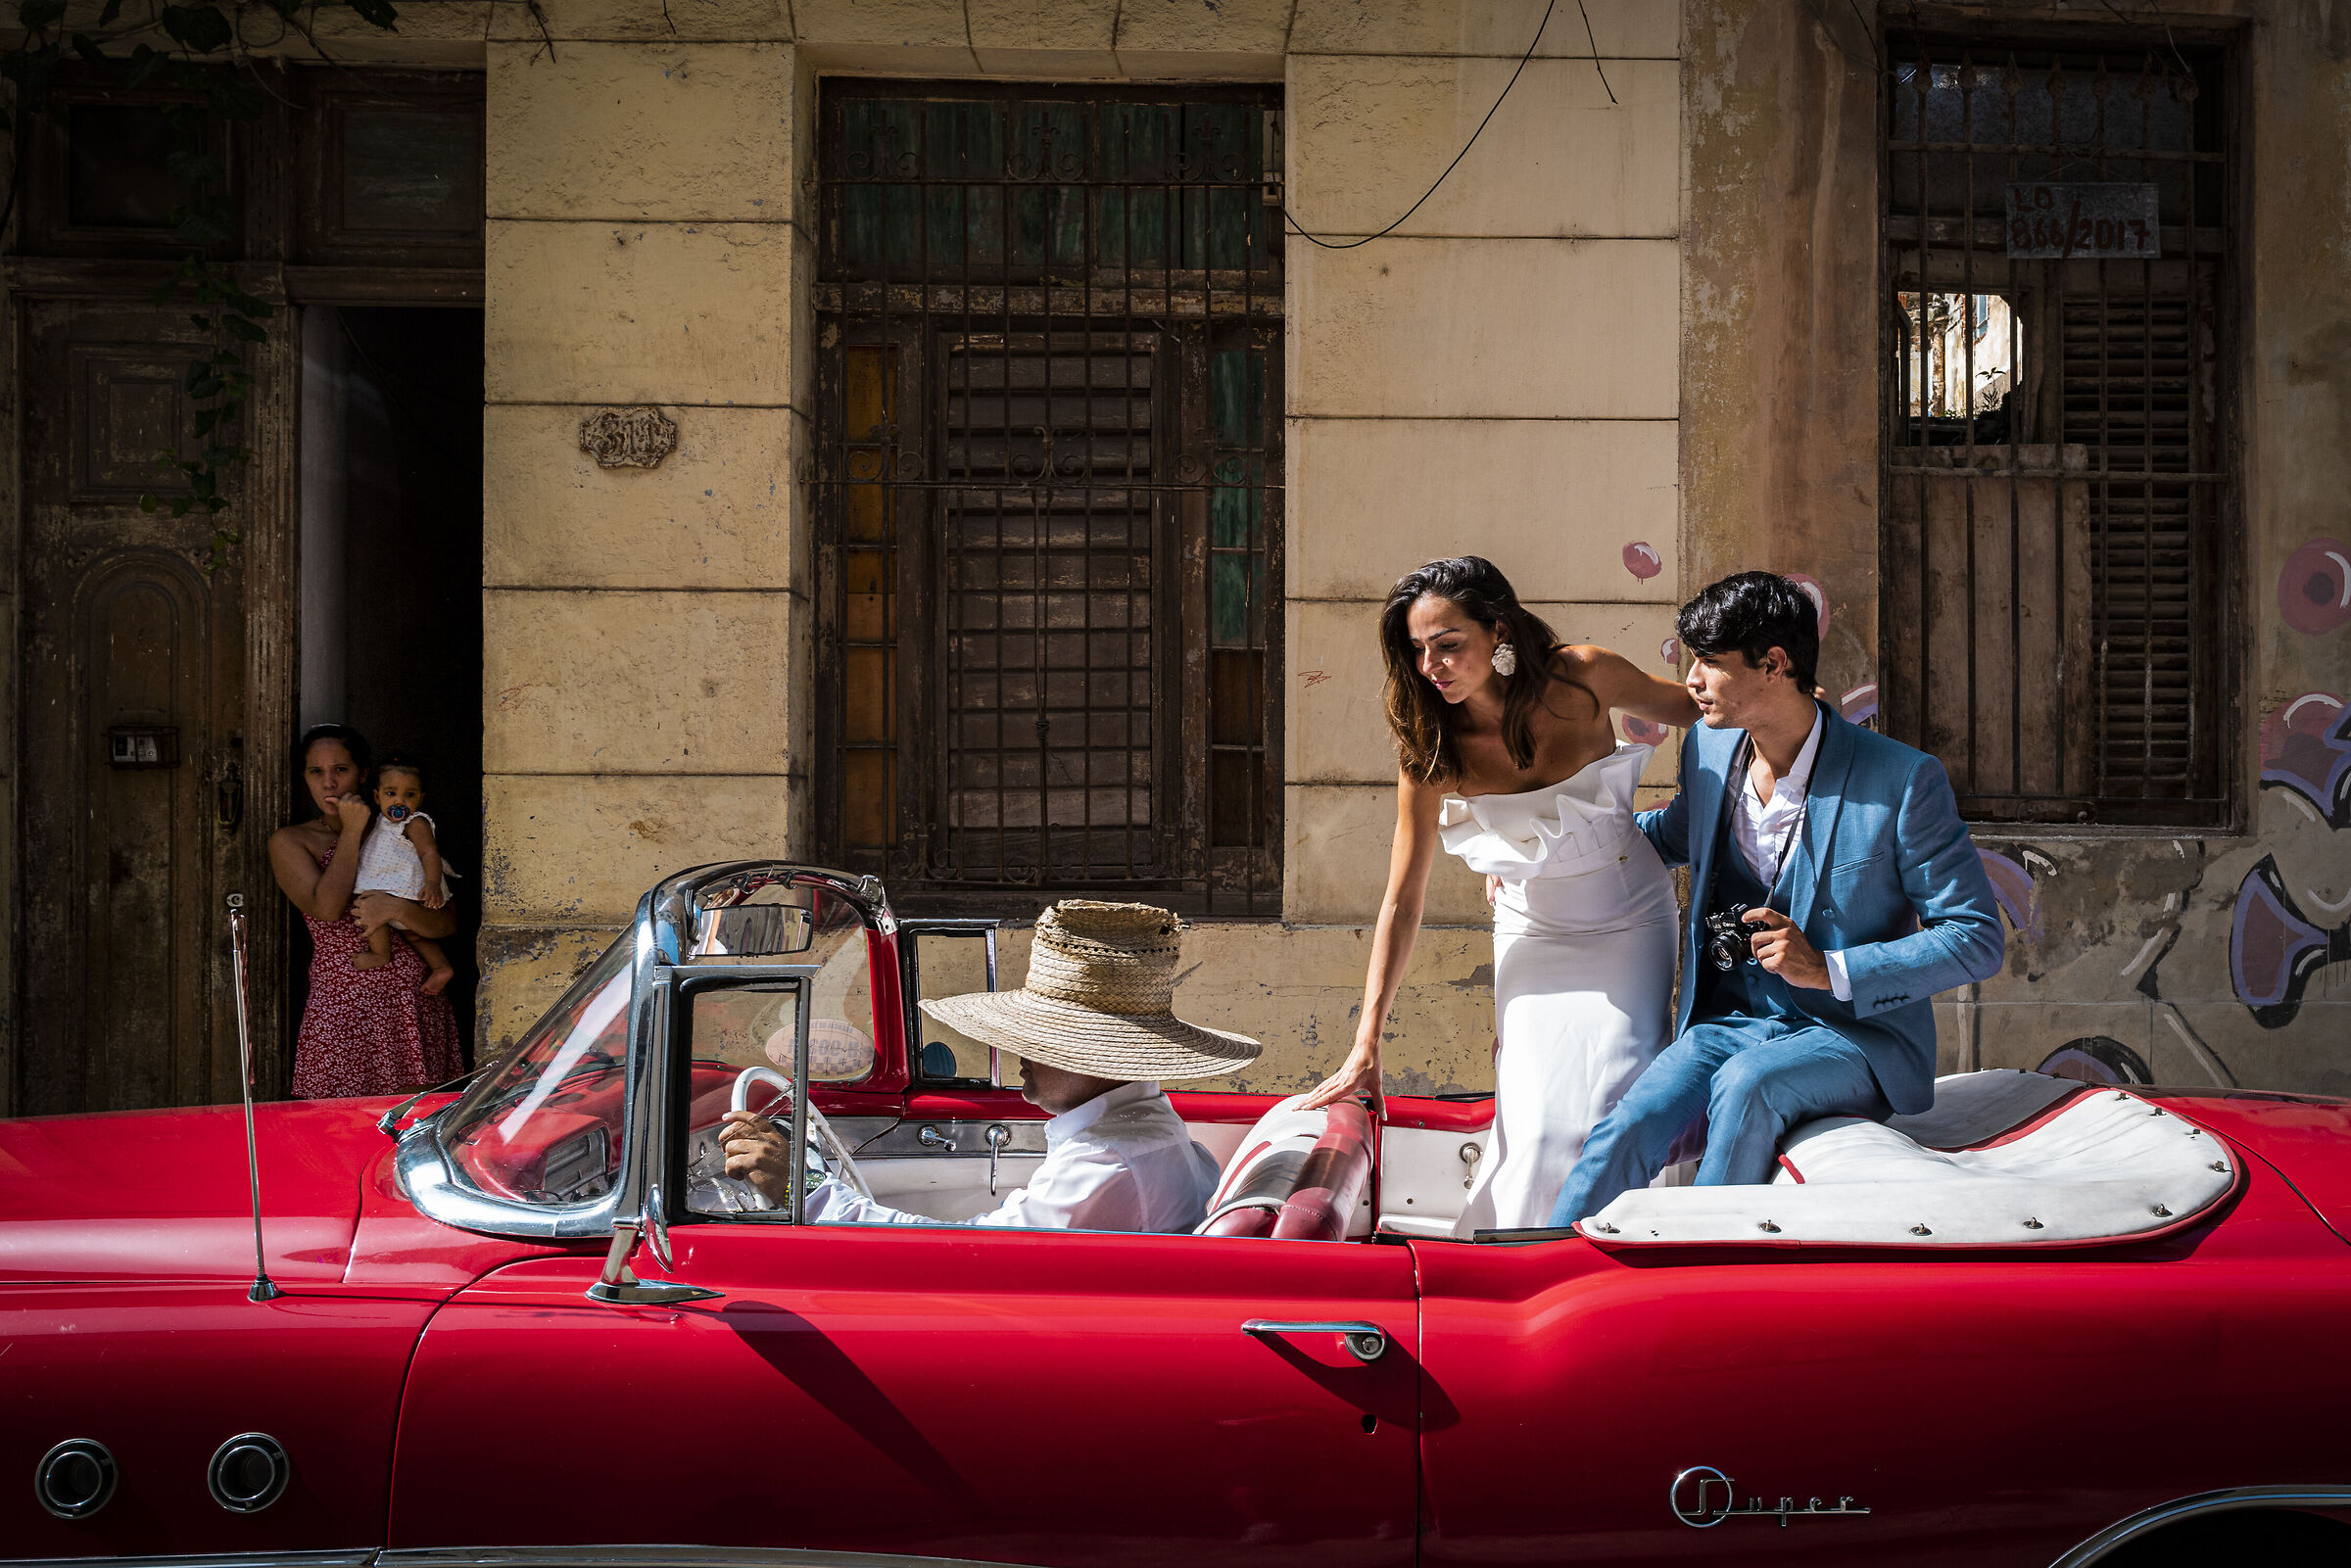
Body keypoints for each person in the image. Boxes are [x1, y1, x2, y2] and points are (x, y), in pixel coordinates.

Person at [1548, 572, 2006, 1226]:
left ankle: (1695, 1282)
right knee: (1630, 1120)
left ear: (1774, 664)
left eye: (1710, 662)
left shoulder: (1903, 780)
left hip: (1853, 1034)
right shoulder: (1709, 745)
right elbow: (1675, 831)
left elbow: (1975, 937)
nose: (1693, 681)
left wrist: (1828, 969)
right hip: (1731, 1020)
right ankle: (1535, 1262)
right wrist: (1551, 857)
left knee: (1748, 1085)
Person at [1300, 556, 1699, 1233]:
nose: (1431, 664)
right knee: (1537, 1126)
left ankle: (1612, 1265)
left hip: (1629, 918)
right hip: (1532, 933)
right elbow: (1402, 898)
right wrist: (1366, 1042)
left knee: (1613, 1097)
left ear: (1499, 631)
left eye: (1448, 643)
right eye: (1417, 649)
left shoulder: (1585, 674)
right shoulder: (1430, 747)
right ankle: (1505, 1267)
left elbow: (1702, 706)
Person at [721, 900, 1258, 1231]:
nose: (1021, 1054)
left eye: (1038, 1040)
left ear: (1093, 1058)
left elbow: (967, 1255)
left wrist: (800, 1190)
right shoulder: (1147, 1128)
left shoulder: (1106, 1164)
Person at [269, 724, 463, 1098]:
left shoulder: (400, 830)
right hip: (343, 1003)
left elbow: (445, 922)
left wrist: (394, 908)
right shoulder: (291, 841)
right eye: (316, 772)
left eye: (340, 770)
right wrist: (352, 832)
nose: (329, 783)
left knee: (413, 1129)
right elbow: (327, 909)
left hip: (411, 1001)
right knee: (336, 1131)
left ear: (363, 776)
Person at [350, 753, 456, 996]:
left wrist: (432, 884)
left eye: (409, 795)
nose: (400, 801)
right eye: (391, 794)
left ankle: (380, 953)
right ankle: (441, 968)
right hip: (391, 889)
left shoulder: (415, 823)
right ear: (377, 796)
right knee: (412, 935)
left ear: (421, 798)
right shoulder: (380, 821)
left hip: (408, 890)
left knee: (369, 906)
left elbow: (430, 853)